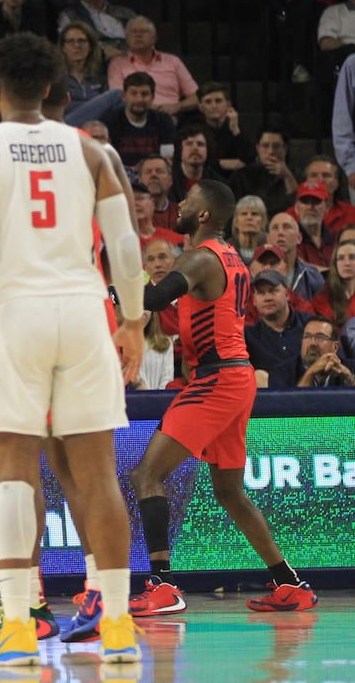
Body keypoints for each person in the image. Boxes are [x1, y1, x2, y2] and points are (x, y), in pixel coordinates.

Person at [0, 32, 145, 666]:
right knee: (99, 474)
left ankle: (21, 630)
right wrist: (132, 322)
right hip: (84, 313)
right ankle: (116, 627)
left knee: (16, 477)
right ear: (56, 89)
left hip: (19, 315)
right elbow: (127, 247)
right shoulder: (93, 153)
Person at [132, 180, 319, 617]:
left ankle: (162, 586)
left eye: (189, 200)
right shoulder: (230, 254)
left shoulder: (199, 257)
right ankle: (290, 584)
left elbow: (156, 298)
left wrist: (97, 291)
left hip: (215, 380)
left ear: (202, 215)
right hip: (234, 377)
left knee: (146, 476)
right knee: (230, 492)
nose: (179, 203)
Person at [246, 269, 314, 389]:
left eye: (273, 291)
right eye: (261, 293)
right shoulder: (247, 338)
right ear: (254, 300)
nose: (267, 298)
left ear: (287, 294)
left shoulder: (311, 326)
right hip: (269, 404)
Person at [294, 317, 355, 387]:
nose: (312, 343)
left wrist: (350, 379)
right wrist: (310, 373)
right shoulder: (284, 371)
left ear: (335, 347)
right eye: (307, 336)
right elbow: (292, 398)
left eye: (320, 337)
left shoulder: (351, 368)